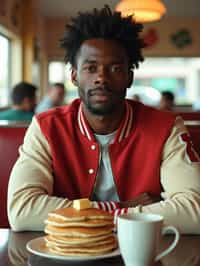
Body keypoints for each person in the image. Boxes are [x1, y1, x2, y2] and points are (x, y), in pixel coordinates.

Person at [7, 6, 200, 233]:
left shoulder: (166, 128)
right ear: (74, 76)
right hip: (66, 254)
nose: (101, 77)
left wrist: (91, 215)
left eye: (115, 68)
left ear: (129, 77)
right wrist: (121, 209)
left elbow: (195, 210)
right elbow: (21, 210)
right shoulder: (45, 127)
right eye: (90, 67)